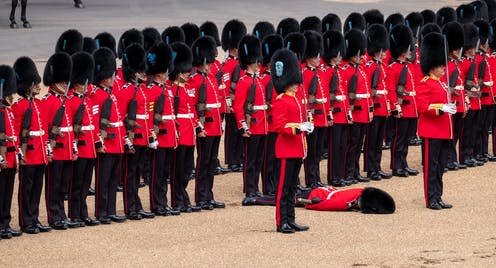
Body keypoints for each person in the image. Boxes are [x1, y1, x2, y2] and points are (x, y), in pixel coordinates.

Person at [271, 48, 311, 234]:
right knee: (283, 188)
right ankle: (281, 222)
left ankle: (291, 219)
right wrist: (298, 128)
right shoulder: (280, 101)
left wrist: (305, 127)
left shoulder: (296, 100)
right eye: (293, 82)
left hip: (297, 148)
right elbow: (280, 127)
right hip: (286, 149)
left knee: (293, 187)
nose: (297, 85)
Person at [12, 57, 52, 234]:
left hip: (41, 152)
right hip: (28, 153)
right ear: (26, 85)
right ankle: (25, 221)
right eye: (34, 83)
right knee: (26, 189)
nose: (38, 86)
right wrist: (20, 155)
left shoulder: (41, 105)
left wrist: (48, 151)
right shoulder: (18, 106)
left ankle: (34, 218)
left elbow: (45, 131)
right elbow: (18, 133)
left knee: (37, 189)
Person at [416, 32, 455, 210]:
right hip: (431, 132)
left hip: (444, 131)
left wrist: (450, 107)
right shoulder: (425, 83)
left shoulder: (442, 83)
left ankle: (438, 197)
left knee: (440, 167)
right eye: (440, 66)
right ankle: (430, 199)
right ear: (432, 67)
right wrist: (442, 108)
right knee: (431, 168)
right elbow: (423, 107)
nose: (443, 68)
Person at [118, 44, 155, 220]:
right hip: (133, 138)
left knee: (137, 174)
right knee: (130, 174)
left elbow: (146, 116)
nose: (144, 74)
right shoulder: (127, 91)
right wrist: (126, 139)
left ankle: (136, 204)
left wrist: (150, 136)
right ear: (133, 72)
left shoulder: (142, 90)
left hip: (143, 139)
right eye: (141, 72)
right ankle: (130, 207)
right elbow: (122, 116)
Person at [89, 47, 127, 224]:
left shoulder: (110, 94)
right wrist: (98, 141)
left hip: (117, 142)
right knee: (103, 181)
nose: (113, 78)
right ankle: (101, 211)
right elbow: (96, 120)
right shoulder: (97, 95)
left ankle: (110, 210)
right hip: (107, 143)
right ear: (104, 77)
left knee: (113, 180)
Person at [42, 52, 78, 230]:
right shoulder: (47, 102)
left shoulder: (66, 100)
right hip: (55, 150)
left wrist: (73, 147)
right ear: (54, 82)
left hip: (67, 150)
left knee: (63, 185)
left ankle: (61, 214)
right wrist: (48, 150)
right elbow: (46, 130)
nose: (65, 84)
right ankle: (53, 216)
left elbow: (70, 127)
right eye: (62, 82)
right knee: (53, 186)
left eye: (66, 82)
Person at [189, 36, 225, 210]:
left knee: (211, 162)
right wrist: (198, 126)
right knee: (203, 162)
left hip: (216, 126)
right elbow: (192, 106)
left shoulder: (210, 78)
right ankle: (201, 197)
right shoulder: (195, 79)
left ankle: (209, 195)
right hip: (205, 127)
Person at [146, 42, 181, 216]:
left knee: (165, 172)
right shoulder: (152, 90)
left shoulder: (167, 89)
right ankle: (156, 203)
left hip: (169, 137)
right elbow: (151, 115)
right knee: (157, 173)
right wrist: (152, 135)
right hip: (159, 137)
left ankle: (163, 202)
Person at [232, 35, 268, 202]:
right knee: (251, 159)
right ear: (250, 62)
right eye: (255, 62)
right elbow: (238, 107)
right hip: (251, 125)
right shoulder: (244, 82)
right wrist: (243, 127)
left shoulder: (258, 80)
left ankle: (256, 187)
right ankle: (250, 188)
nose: (258, 64)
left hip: (262, 125)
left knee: (259, 159)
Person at [67, 51, 100, 227]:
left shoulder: (87, 100)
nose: (87, 85)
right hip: (80, 146)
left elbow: (92, 124)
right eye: (84, 82)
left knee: (86, 183)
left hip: (90, 147)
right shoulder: (71, 101)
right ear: (78, 84)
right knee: (77, 182)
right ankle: (74, 214)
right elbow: (72, 127)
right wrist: (74, 147)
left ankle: (83, 213)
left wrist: (97, 142)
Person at [169, 42, 202, 213]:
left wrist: (198, 127)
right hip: (180, 133)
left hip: (190, 133)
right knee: (178, 168)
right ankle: (177, 199)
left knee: (188, 168)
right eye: (185, 71)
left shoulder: (188, 89)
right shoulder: (172, 89)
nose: (188, 74)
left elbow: (193, 111)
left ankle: (183, 195)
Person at [387, 24, 419, 177]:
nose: (410, 51)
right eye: (408, 49)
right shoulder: (393, 68)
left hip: (411, 107)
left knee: (406, 139)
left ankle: (404, 163)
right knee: (399, 138)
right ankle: (396, 165)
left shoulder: (410, 66)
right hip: (402, 107)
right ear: (402, 50)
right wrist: (395, 107)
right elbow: (391, 90)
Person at [341, 29, 372, 184]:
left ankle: (356, 171)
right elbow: (347, 94)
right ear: (352, 55)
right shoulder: (346, 71)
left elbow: (367, 92)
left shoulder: (361, 70)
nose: (361, 57)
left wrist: (370, 109)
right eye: (358, 54)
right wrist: (349, 112)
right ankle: (349, 172)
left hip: (364, 112)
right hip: (355, 113)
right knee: (352, 145)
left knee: (359, 144)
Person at [363, 24, 392, 181]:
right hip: (375, 108)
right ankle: (370, 169)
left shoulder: (381, 65)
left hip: (383, 108)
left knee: (379, 141)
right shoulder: (370, 66)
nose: (384, 53)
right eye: (382, 51)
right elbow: (370, 89)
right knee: (372, 141)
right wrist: (371, 108)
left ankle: (377, 167)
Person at [301, 30, 328, 189]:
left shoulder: (320, 73)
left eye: (319, 56)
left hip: (321, 117)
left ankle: (316, 177)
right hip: (311, 118)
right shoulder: (304, 73)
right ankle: (311, 179)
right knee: (310, 152)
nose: (318, 59)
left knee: (318, 151)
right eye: (315, 56)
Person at [221, 19, 247, 172]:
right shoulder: (229, 63)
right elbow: (224, 86)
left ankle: (239, 157)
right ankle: (232, 160)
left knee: (240, 132)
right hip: (233, 103)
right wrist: (229, 104)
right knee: (232, 133)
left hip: (241, 103)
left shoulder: (240, 62)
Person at [0, 65, 23, 239]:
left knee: (8, 194)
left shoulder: (8, 112)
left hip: (11, 158)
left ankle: (5, 223)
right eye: (8, 94)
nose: (11, 97)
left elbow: (13, 137)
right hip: (2, 159)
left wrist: (16, 157)